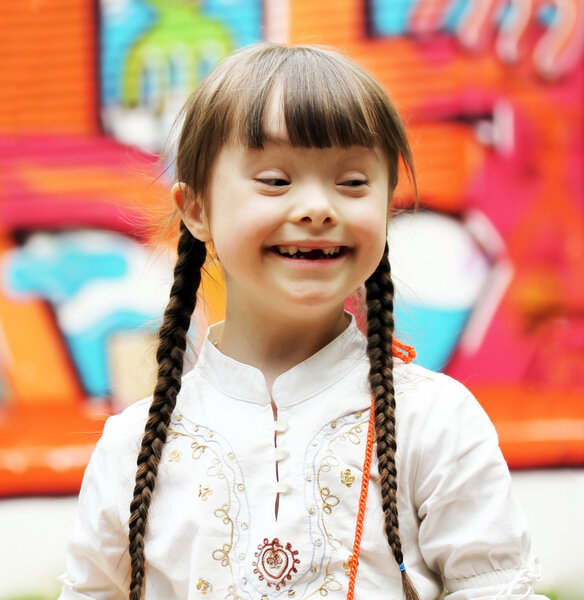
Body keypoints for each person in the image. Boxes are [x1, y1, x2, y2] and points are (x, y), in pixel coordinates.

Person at [59, 44, 546, 600]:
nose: (318, 207)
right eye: (274, 180)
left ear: (387, 207)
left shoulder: (436, 420)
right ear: (197, 210)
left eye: (353, 182)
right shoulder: (133, 445)